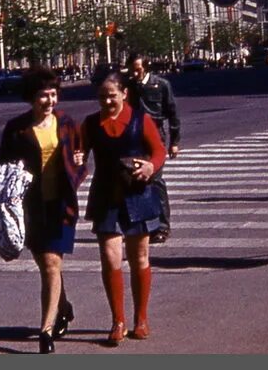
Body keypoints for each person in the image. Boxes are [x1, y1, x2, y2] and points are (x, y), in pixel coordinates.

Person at [0, 67, 86, 354]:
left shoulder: (67, 123)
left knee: (50, 265)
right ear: (31, 98)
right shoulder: (17, 129)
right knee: (47, 266)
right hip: (30, 208)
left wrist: (78, 165)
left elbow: (80, 161)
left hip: (60, 204)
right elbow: (2, 167)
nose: (49, 101)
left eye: (53, 95)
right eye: (43, 96)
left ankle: (46, 330)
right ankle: (64, 306)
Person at [76, 72, 166, 347]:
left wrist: (151, 167)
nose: (106, 101)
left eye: (111, 95)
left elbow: (159, 152)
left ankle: (141, 319)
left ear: (124, 94)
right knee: (110, 259)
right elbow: (80, 154)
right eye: (102, 96)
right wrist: (78, 160)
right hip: (106, 197)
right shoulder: (91, 123)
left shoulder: (141, 120)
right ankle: (118, 320)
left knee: (139, 258)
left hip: (138, 195)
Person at [125, 53, 181, 244]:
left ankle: (163, 227)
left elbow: (172, 112)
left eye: (138, 68)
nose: (135, 72)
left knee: (156, 180)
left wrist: (174, 141)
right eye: (132, 68)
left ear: (146, 67)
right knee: (137, 179)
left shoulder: (161, 84)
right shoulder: (129, 86)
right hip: (133, 134)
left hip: (155, 134)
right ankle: (142, 225)